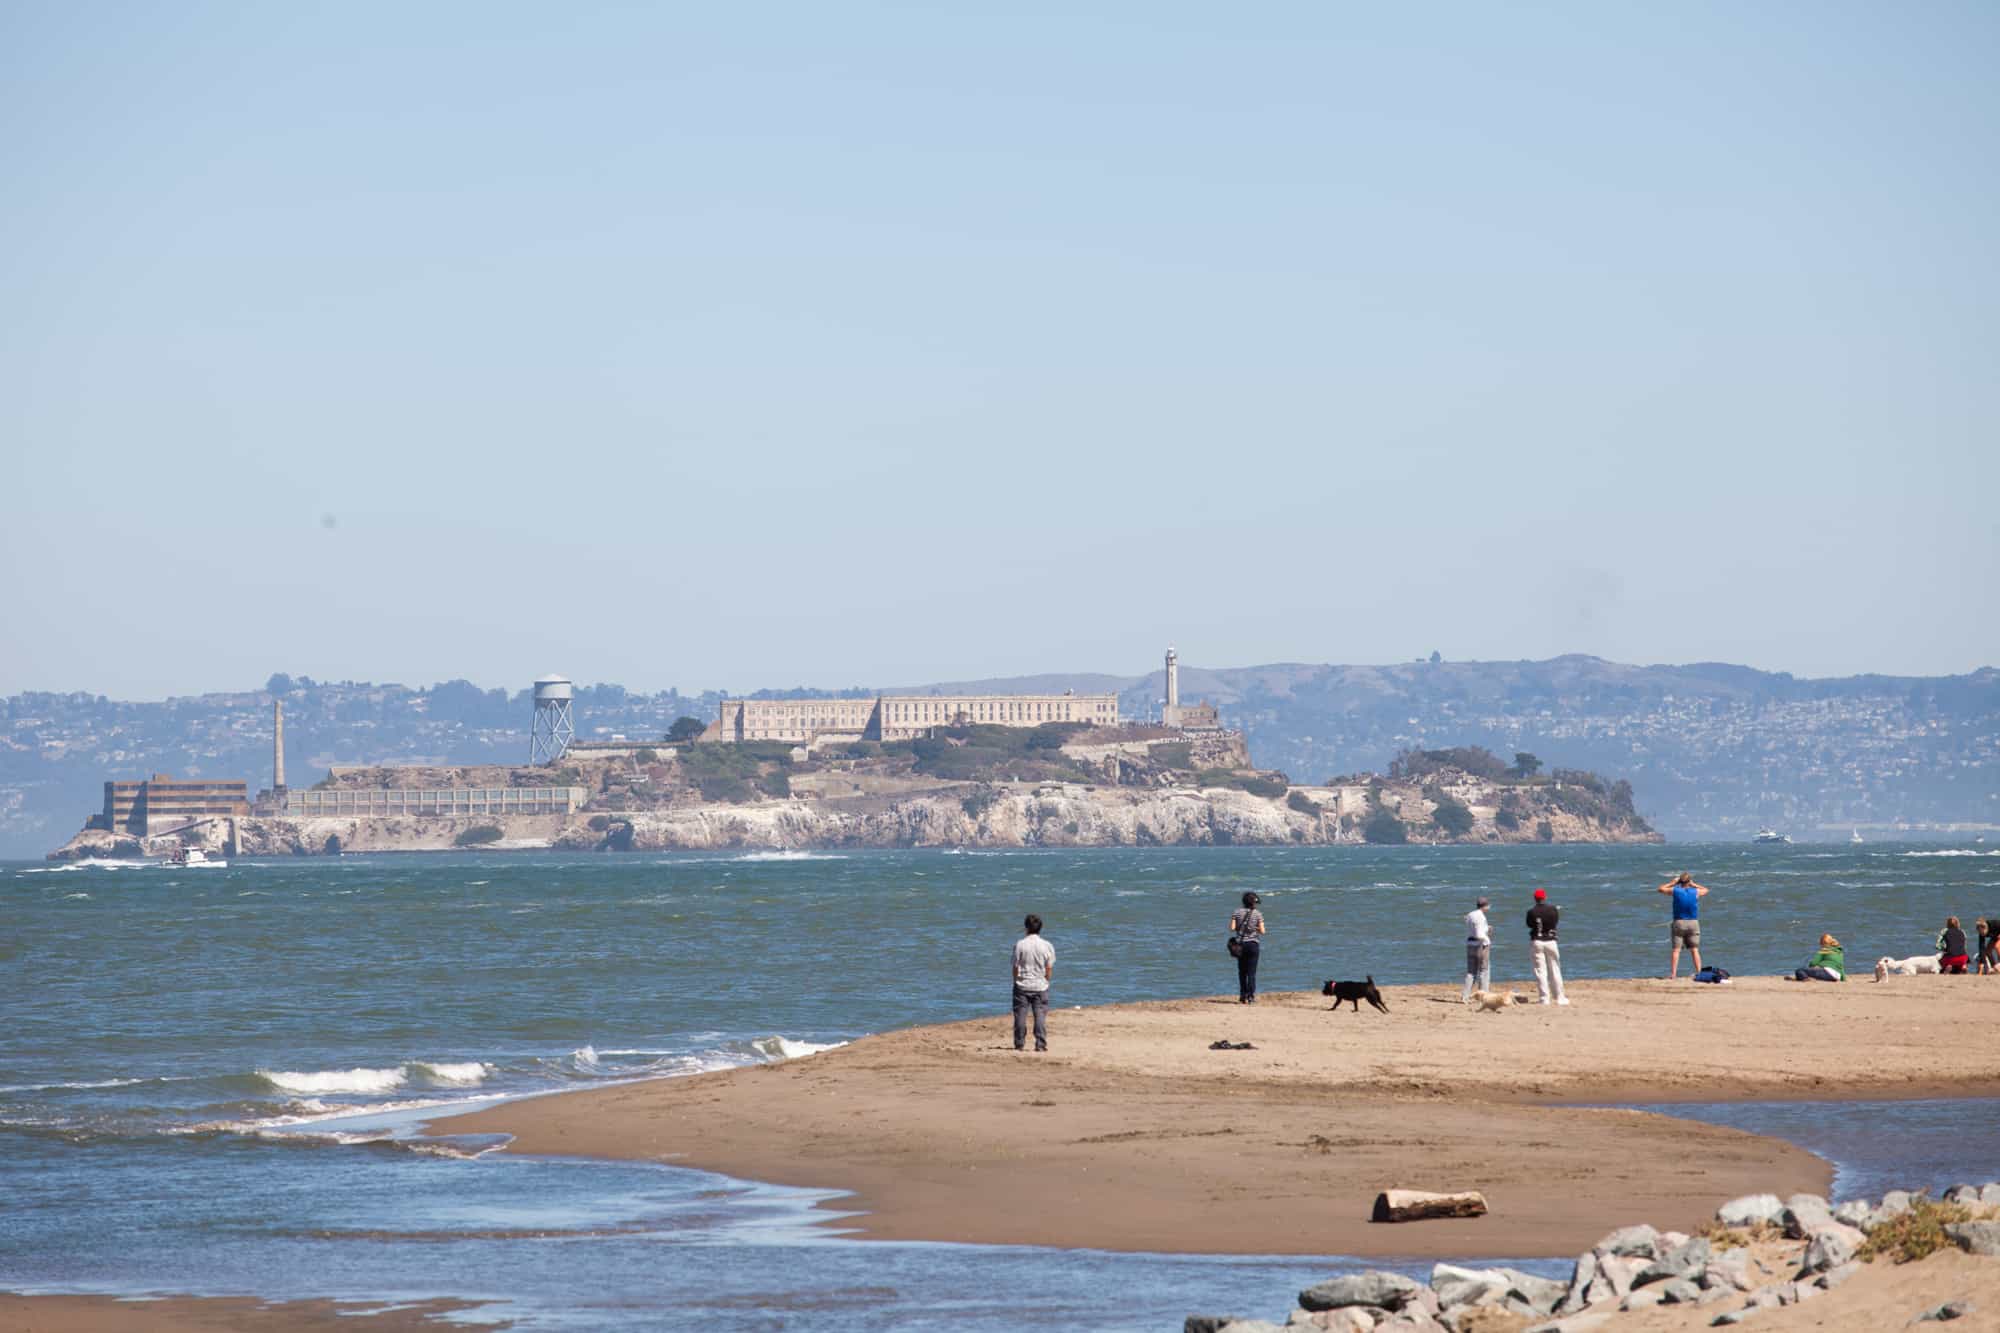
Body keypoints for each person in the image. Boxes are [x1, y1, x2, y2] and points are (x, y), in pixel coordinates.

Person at [1011, 913, 1055, 1051]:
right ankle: (1040, 1044)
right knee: (1040, 1015)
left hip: (1022, 984)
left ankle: (1019, 1044)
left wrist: (1016, 980)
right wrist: (1047, 979)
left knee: (1020, 1015)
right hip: (1040, 985)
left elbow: (1015, 966)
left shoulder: (1020, 945)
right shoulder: (1047, 945)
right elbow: (1049, 967)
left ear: (1026, 927)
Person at [1657, 871, 1711, 980]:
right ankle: (1699, 972)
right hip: (1693, 923)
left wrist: (1672, 882)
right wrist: (1694, 884)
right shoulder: (1695, 891)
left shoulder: (1675, 891)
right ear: (1689, 881)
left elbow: (1660, 889)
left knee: (1676, 950)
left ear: (1680, 881)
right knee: (1695, 949)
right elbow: (1706, 890)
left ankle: (1673, 974)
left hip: (1679, 922)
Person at [1524, 888, 1567, 1005]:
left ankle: (1544, 998)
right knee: (1555, 969)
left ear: (1535, 899)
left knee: (1540, 971)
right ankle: (1560, 997)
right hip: (1551, 941)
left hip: (1537, 941)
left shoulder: (1531, 911)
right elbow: (1556, 922)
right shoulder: (1553, 909)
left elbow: (1529, 924)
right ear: (1545, 897)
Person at [1229, 891, 1266, 1004]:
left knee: (1242, 971)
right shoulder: (1258, 914)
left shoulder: (1236, 912)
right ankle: (1251, 997)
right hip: (1253, 944)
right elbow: (1263, 931)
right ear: (1254, 903)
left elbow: (1232, 928)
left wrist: (1241, 929)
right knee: (1251, 973)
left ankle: (1242, 996)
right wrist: (1254, 929)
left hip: (1240, 945)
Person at [1462, 895, 1492, 1001]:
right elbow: (1479, 934)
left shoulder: (1470, 914)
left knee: (1471, 972)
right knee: (1484, 971)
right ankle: (1484, 997)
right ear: (1484, 906)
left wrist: (1486, 929)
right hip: (1481, 946)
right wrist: (1486, 938)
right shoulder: (1481, 916)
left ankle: (1465, 997)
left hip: (1470, 944)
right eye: (1488, 905)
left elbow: (1470, 924)